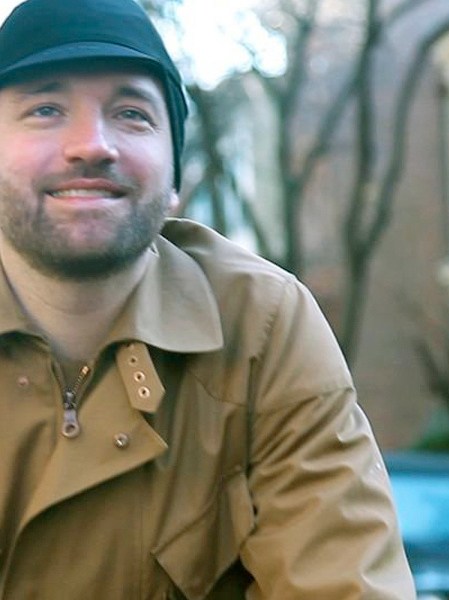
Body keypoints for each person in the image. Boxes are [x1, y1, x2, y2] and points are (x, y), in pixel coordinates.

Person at [0, 0, 415, 598]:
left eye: (131, 114)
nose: (91, 145)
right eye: (45, 109)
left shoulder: (262, 328)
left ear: (175, 178)